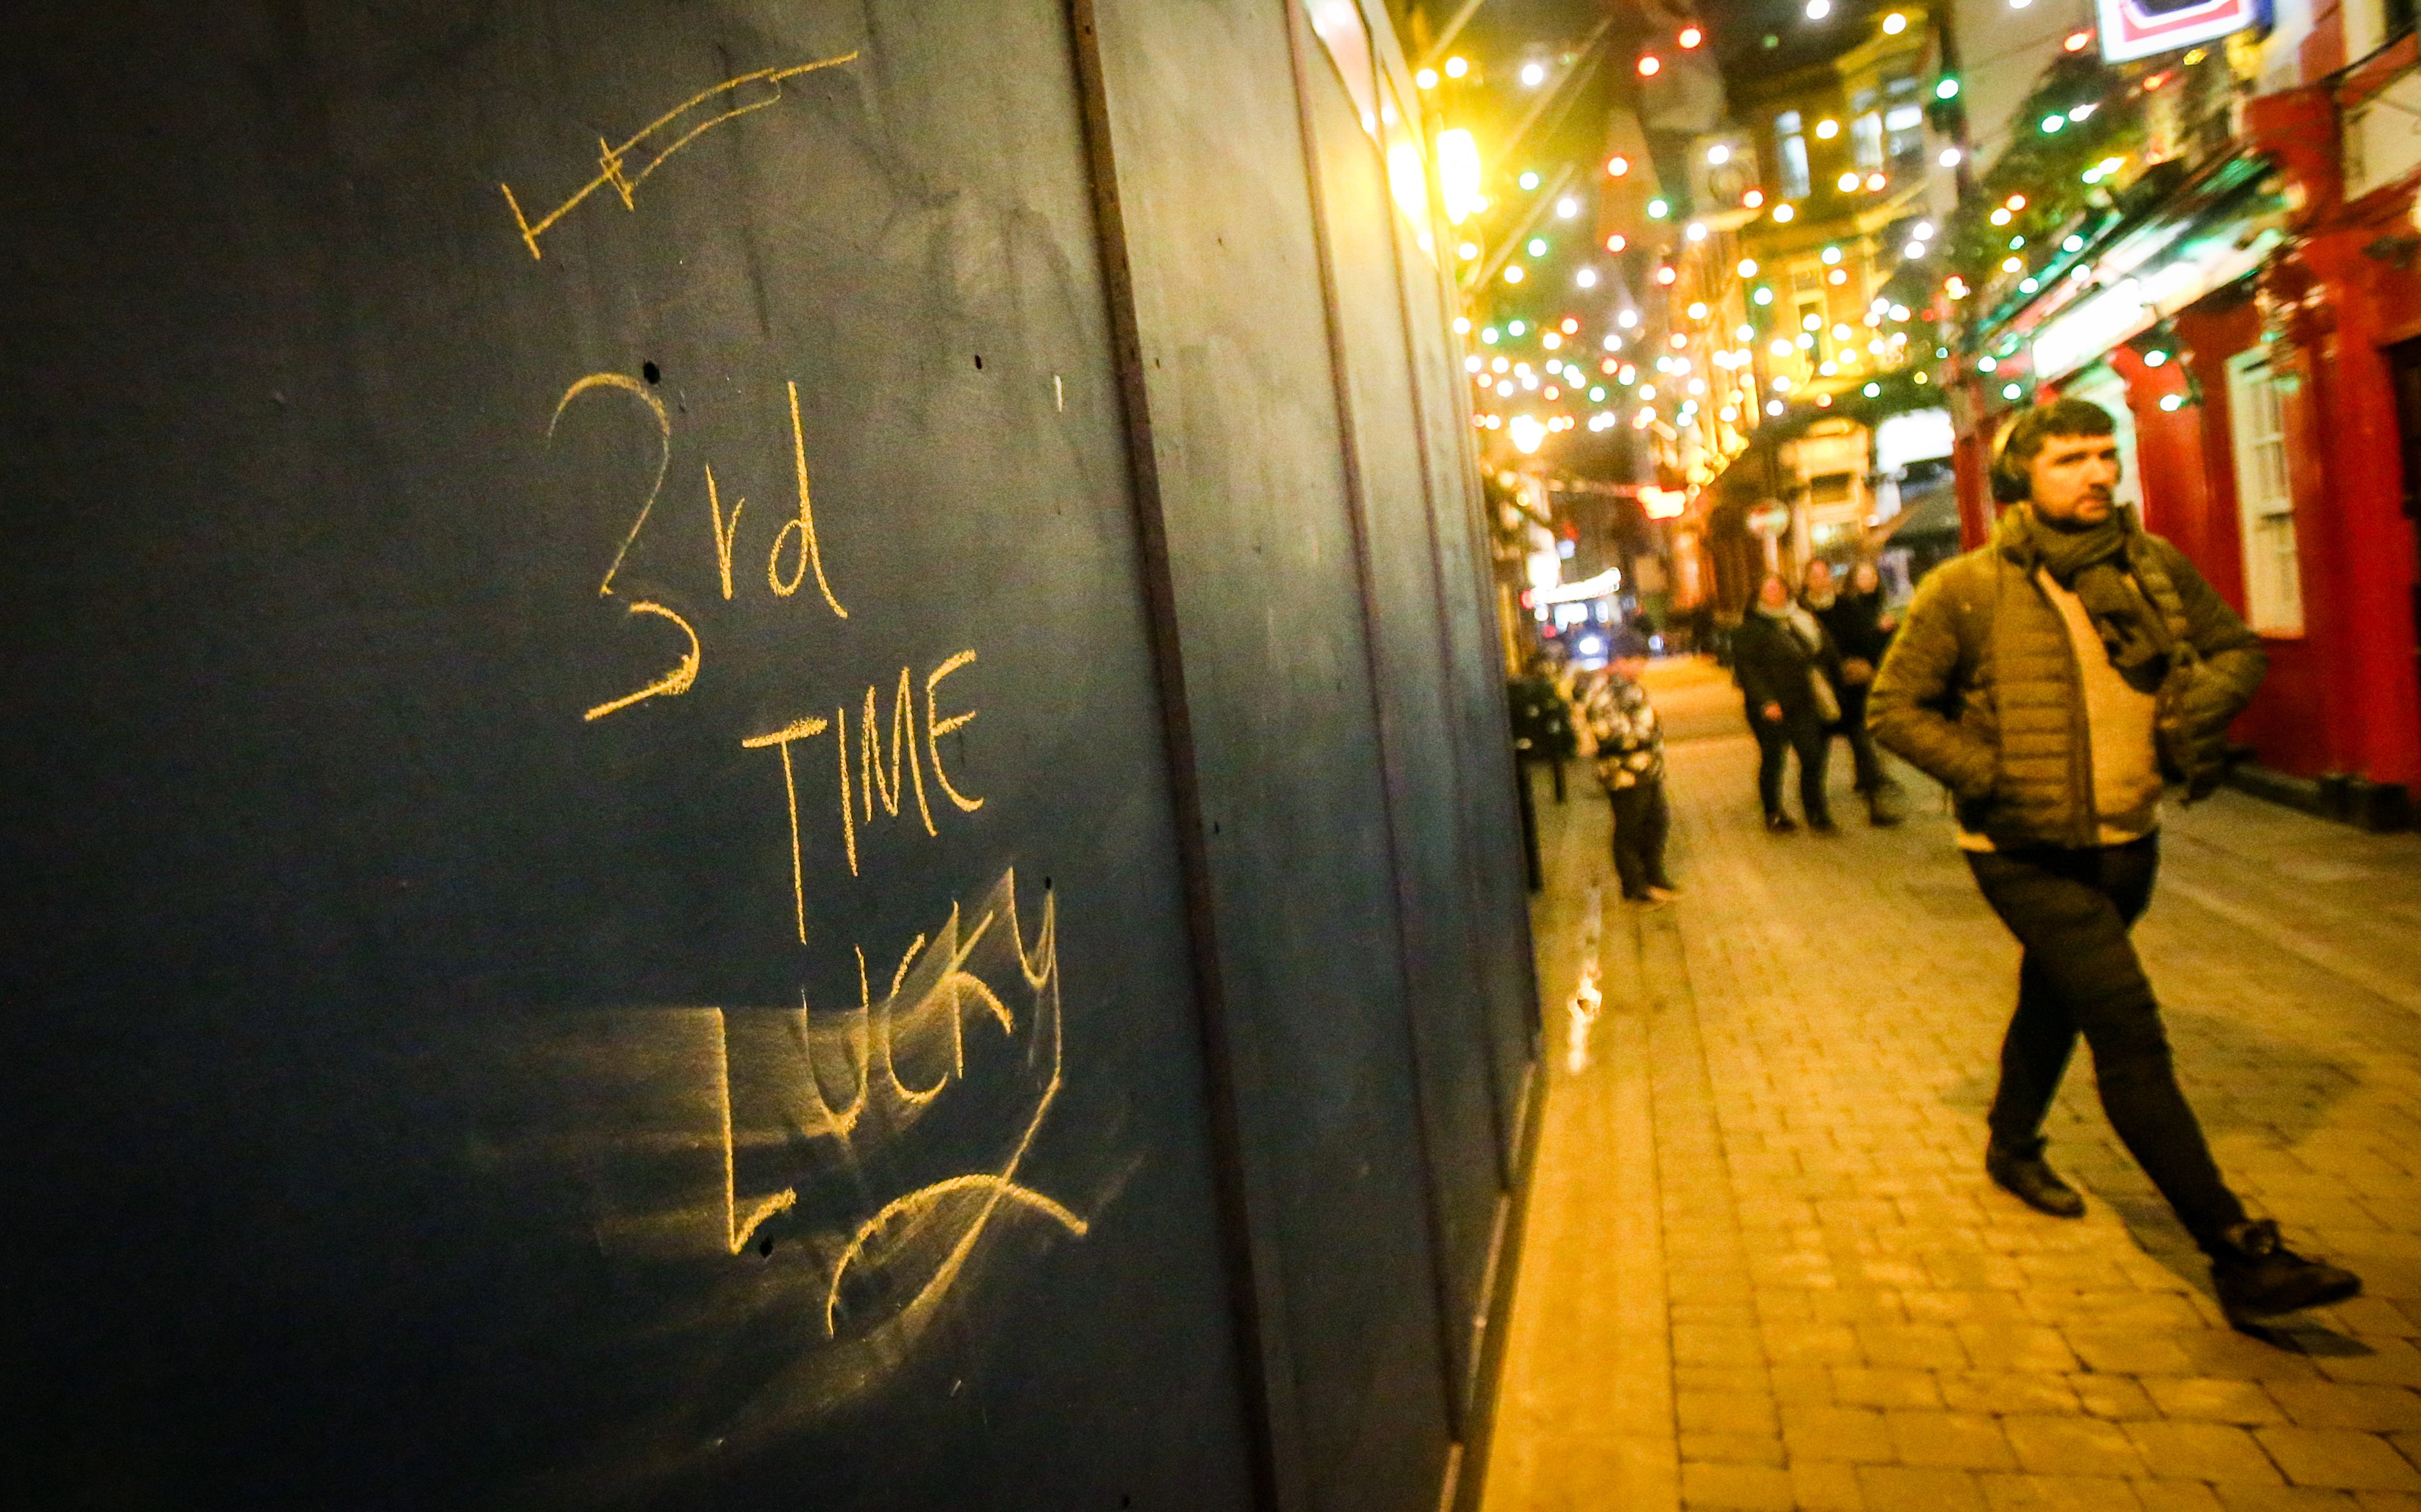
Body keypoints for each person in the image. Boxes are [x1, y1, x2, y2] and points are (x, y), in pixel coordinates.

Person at [1868, 397, 2360, 1322]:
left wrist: (2183, 719)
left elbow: (2233, 652)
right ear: (2021, 478)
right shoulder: (1968, 589)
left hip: (2127, 838)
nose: (2096, 474)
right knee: (2127, 1031)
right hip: (2017, 849)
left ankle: (2010, 1143)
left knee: (2053, 998)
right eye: (2068, 460)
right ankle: (2236, 1253)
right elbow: (1893, 709)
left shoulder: (2151, 567)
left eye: (2103, 456)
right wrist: (1988, 774)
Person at [1734, 571, 1843, 834]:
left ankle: (1817, 812)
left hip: (1803, 700)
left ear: (1786, 591)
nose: (1774, 594)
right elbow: (1747, 670)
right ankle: (1773, 812)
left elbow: (1825, 652)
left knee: (1813, 755)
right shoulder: (1750, 629)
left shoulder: (1802, 618)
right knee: (1774, 759)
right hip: (1771, 706)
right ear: (1759, 595)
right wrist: (1766, 701)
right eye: (1767, 589)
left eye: (1778, 588)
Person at [1580, 629, 1677, 905]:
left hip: (1647, 768)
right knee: (1630, 829)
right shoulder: (1601, 690)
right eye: (1639, 660)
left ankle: (1654, 875)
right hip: (1623, 772)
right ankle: (1634, 885)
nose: (1643, 667)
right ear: (1621, 660)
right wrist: (1646, 733)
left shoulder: (1629, 685)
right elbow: (1609, 733)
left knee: (1657, 821)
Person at [1805, 558, 1903, 826]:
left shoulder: (1846, 606)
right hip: (1819, 693)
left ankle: (1877, 807)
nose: (1821, 580)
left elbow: (1865, 639)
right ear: (1807, 581)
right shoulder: (1803, 613)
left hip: (1849, 692)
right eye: (1814, 576)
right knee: (1816, 757)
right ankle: (1818, 813)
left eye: (1824, 574)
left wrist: (1868, 661)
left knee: (1864, 749)